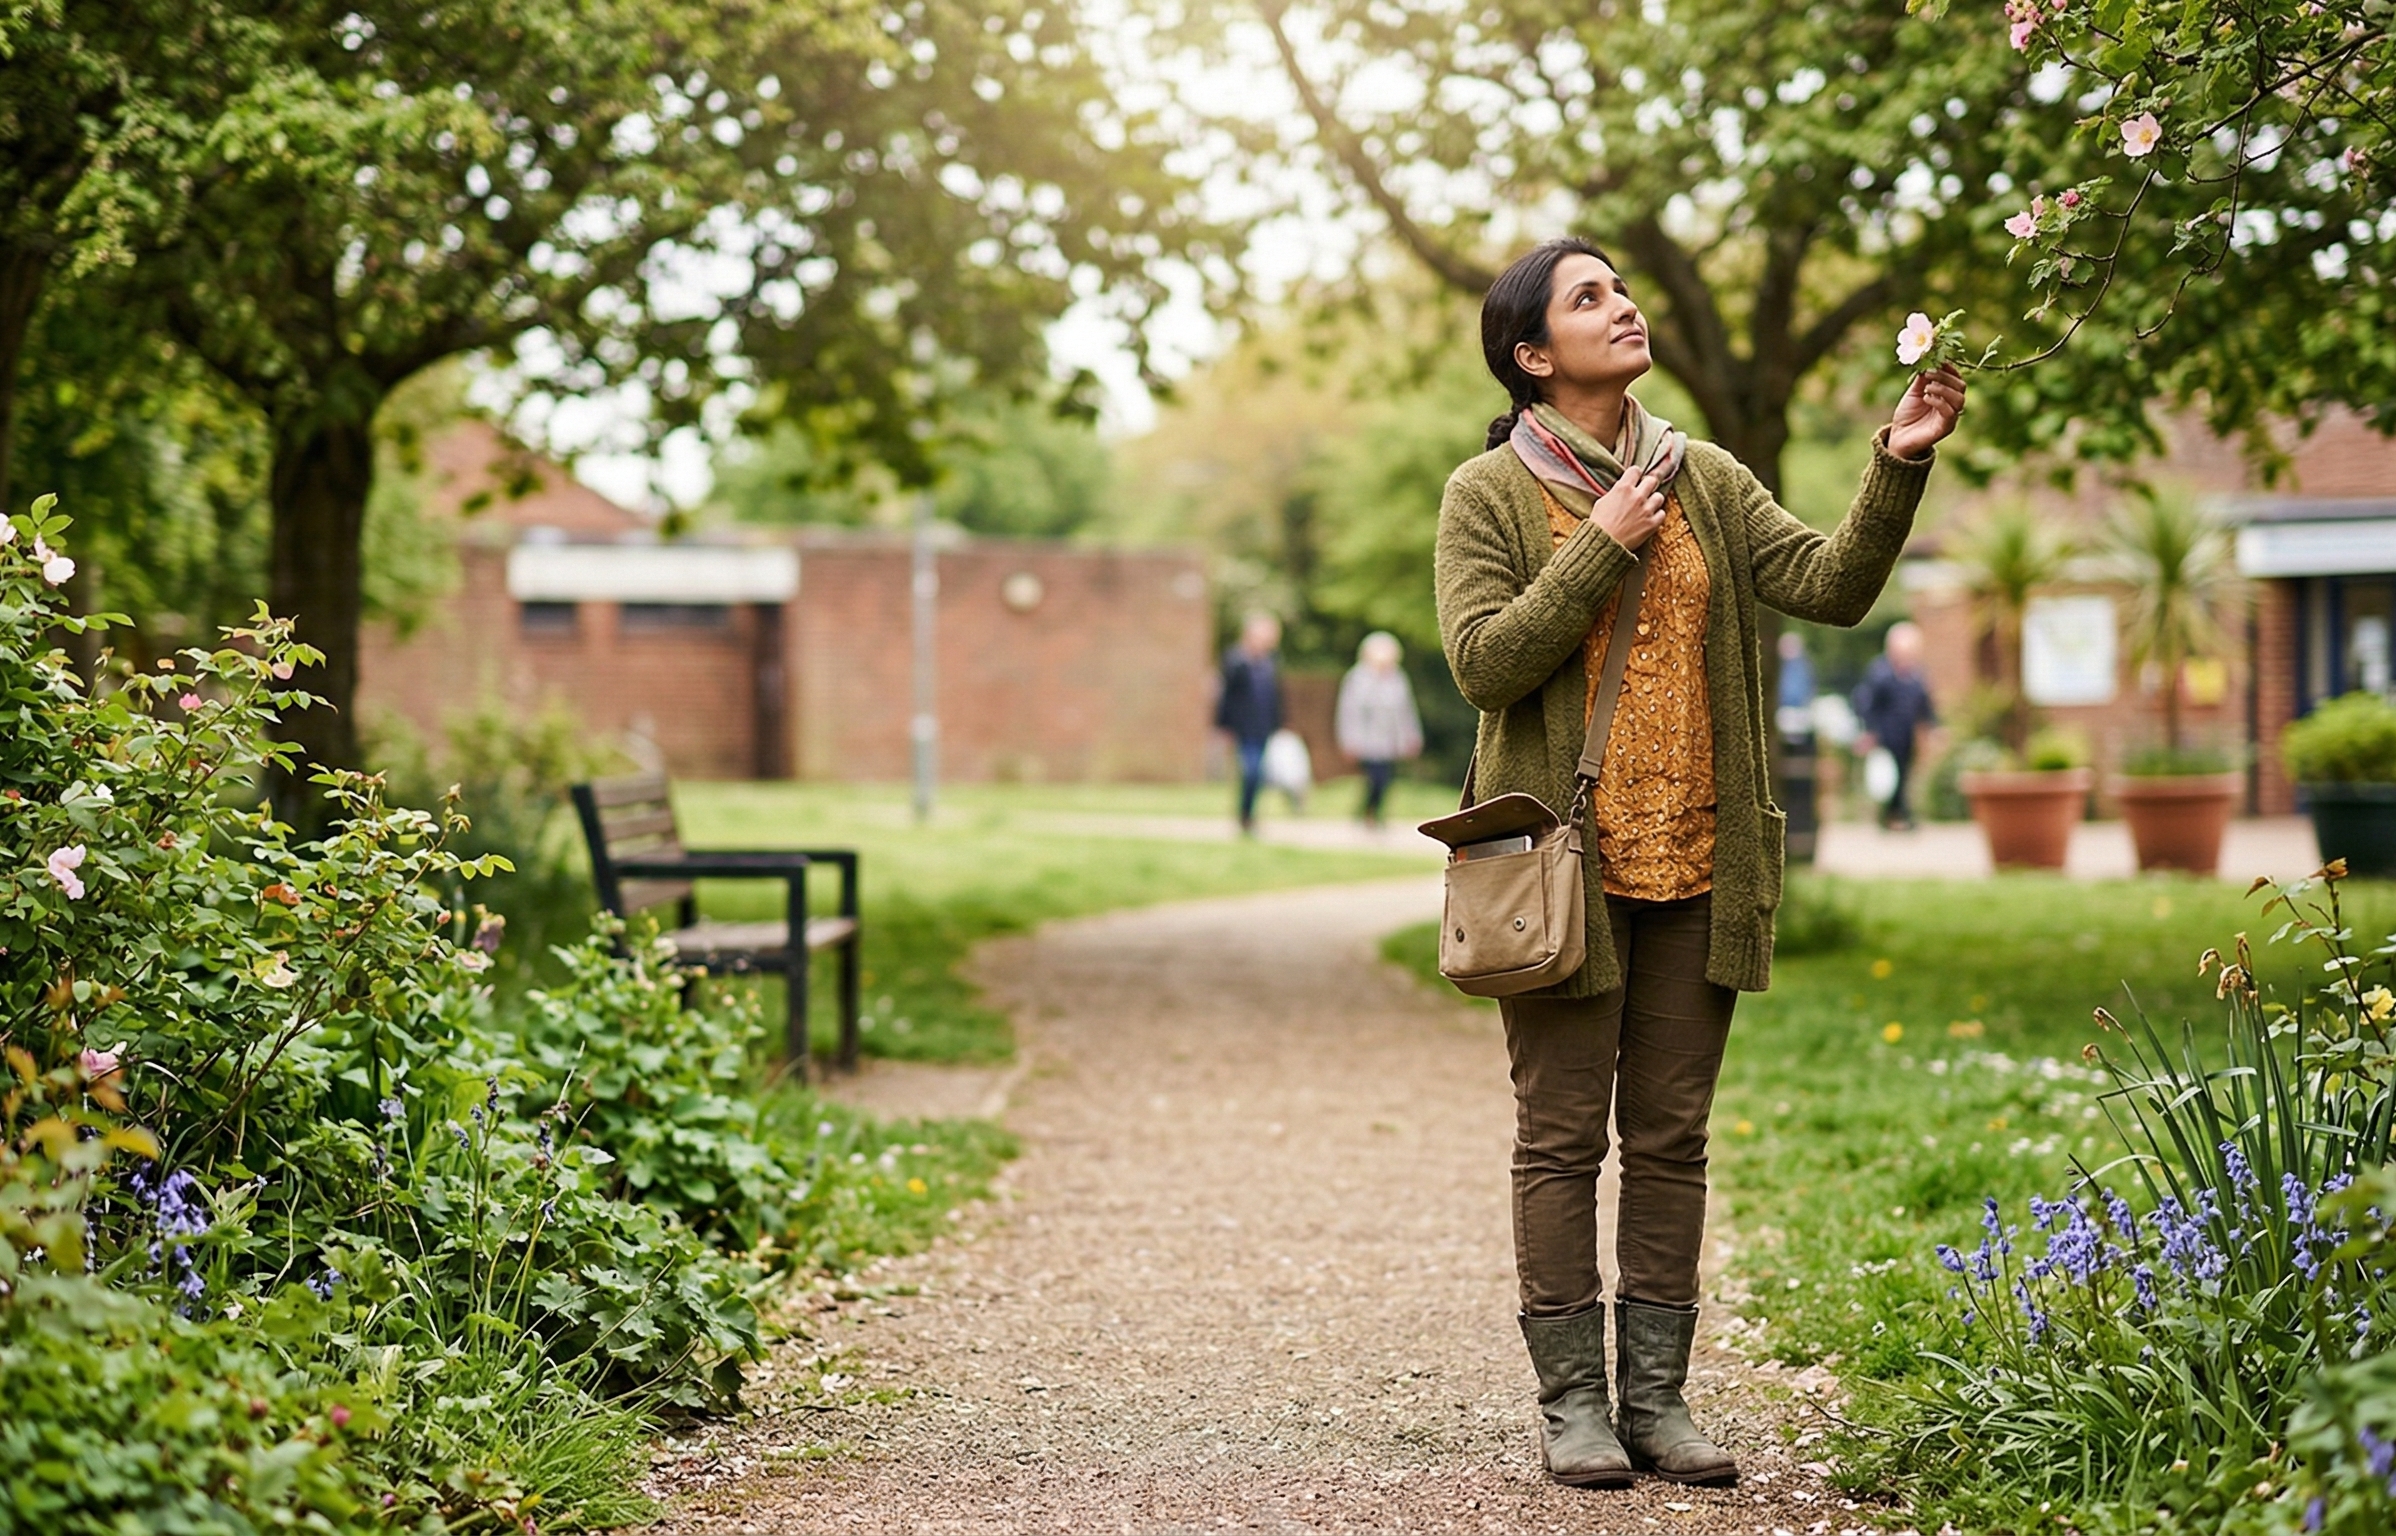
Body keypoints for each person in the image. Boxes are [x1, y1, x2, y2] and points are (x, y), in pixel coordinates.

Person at [1434, 237, 1961, 1491]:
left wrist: (1894, 464)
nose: (1621, 307)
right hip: (1561, 874)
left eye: (1619, 289)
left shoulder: (1702, 477)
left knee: (1669, 1139)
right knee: (1561, 1140)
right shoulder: (1488, 493)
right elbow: (1482, 664)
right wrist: (1599, 544)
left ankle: (1656, 1400)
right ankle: (1572, 1405)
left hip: (1696, 860)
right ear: (1530, 354)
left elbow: (1828, 586)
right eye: (1588, 297)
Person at [1851, 621, 1937, 830]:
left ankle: (1899, 815)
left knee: (1904, 775)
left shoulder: (1916, 675)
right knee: (1886, 777)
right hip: (1884, 736)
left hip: (1906, 736)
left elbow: (1924, 705)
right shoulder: (1879, 673)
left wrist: (1933, 727)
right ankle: (1889, 816)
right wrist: (1868, 732)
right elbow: (1866, 703)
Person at [1335, 631, 1425, 827]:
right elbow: (1349, 712)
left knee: (1385, 780)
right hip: (1366, 740)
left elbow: (1405, 710)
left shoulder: (1398, 678)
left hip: (1389, 740)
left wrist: (1411, 736)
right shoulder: (1357, 678)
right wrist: (1350, 740)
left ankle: (1373, 813)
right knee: (1374, 778)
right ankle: (1368, 813)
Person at [1214, 612, 1283, 834]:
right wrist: (1223, 725)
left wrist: (1278, 723)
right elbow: (1227, 696)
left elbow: (1275, 696)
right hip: (1242, 727)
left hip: (1263, 726)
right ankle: (1245, 815)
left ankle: (1249, 815)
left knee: (1259, 772)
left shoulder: (1270, 662)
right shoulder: (1236, 660)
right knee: (1252, 770)